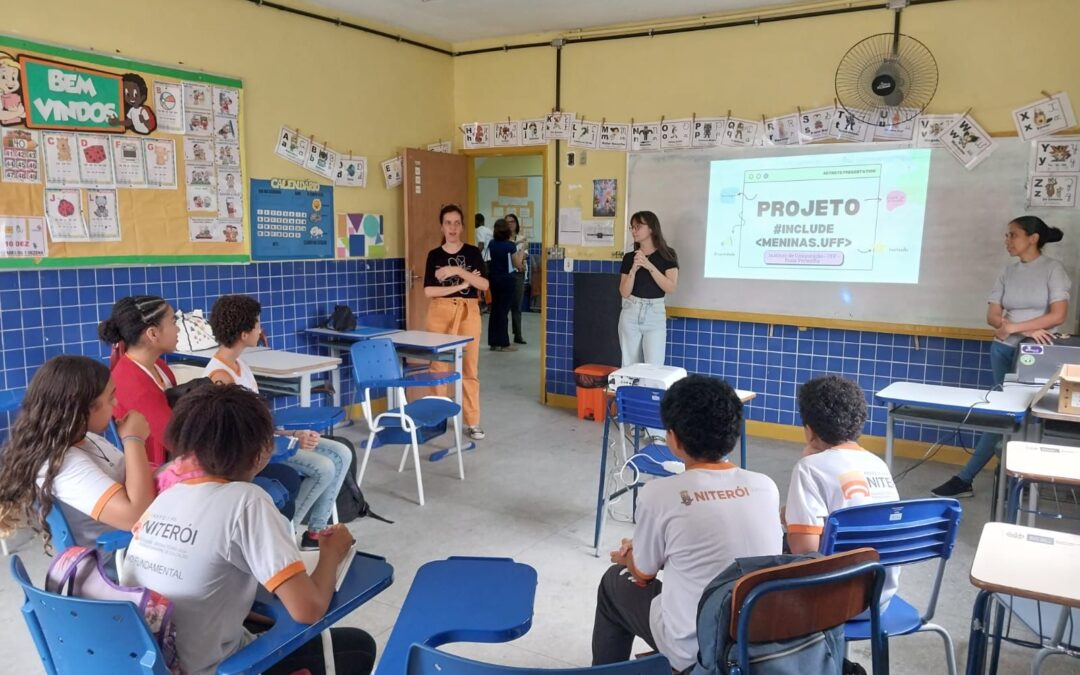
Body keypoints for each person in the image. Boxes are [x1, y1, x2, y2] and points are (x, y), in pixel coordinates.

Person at [123, 384, 376, 675]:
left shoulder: (167, 496)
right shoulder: (247, 500)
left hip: (151, 663)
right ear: (261, 452)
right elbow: (308, 610)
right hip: (213, 668)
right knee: (357, 646)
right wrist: (331, 553)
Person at [591, 375, 782, 670]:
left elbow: (643, 573)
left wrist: (629, 555)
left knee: (614, 582)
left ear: (674, 438)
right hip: (756, 640)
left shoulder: (659, 494)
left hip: (697, 650)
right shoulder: (766, 486)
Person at [932, 216, 1070, 498]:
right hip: (1002, 348)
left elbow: (1058, 315)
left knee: (1024, 416)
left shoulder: (1053, 269)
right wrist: (1016, 329)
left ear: (1033, 238)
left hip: (1035, 354)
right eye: (1007, 235)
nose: (1007, 240)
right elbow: (992, 315)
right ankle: (980, 478)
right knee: (1000, 413)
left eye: (1013, 235)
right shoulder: (1008, 271)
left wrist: (1015, 328)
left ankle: (998, 476)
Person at [205, 294, 352, 548]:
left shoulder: (240, 365)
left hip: (267, 439)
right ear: (243, 333)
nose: (261, 330)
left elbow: (260, 423)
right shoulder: (221, 377)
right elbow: (243, 436)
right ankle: (285, 532)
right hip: (251, 452)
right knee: (325, 467)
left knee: (343, 452)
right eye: (257, 324)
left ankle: (315, 533)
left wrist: (293, 434)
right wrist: (292, 442)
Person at [0, 355, 154, 551]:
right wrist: (134, 439)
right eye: (110, 397)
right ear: (82, 409)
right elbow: (136, 517)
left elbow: (131, 476)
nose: (115, 403)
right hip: (114, 559)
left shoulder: (86, 438)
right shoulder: (64, 465)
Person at [785, 375, 900, 610]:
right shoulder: (878, 464)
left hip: (830, 606)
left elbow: (804, 552)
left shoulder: (809, 468)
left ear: (809, 431)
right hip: (880, 601)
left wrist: (788, 520)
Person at [423, 204, 490, 441]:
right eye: (448, 223)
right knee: (438, 367)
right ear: (442, 227)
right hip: (439, 312)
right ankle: (437, 418)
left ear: (462, 227)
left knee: (469, 367)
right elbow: (429, 291)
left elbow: (484, 285)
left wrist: (456, 271)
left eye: (457, 223)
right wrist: (464, 284)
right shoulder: (434, 255)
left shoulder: (472, 252)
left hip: (468, 311)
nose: (452, 228)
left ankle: (472, 422)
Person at [98, 295, 180, 467]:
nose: (178, 329)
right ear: (153, 333)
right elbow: (177, 440)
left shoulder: (159, 366)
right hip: (154, 471)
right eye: (173, 322)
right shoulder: (133, 385)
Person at [618, 211, 679, 366]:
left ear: (651, 228)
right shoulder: (629, 257)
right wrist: (633, 270)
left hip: (655, 313)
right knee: (629, 365)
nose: (634, 231)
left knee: (654, 366)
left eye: (638, 227)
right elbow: (624, 292)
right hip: (631, 310)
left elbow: (670, 287)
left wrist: (648, 265)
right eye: (632, 227)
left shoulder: (667, 255)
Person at [487, 219, 524, 352]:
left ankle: (493, 342)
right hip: (507, 281)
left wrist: (516, 243)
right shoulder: (510, 246)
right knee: (503, 312)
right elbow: (517, 264)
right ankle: (504, 343)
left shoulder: (492, 243)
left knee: (495, 311)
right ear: (507, 230)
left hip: (493, 279)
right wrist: (522, 250)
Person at [505, 213, 528, 344]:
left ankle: (518, 334)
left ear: (516, 223)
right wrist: (518, 252)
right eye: (507, 222)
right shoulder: (501, 239)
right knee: (504, 306)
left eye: (512, 221)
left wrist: (519, 258)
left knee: (517, 305)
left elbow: (523, 256)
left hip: (518, 273)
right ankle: (504, 336)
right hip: (505, 274)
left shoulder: (521, 237)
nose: (510, 224)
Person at [475, 213, 494, 313]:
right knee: (488, 284)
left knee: (481, 284)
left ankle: (484, 306)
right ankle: (489, 306)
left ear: (477, 221)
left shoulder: (479, 230)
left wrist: (474, 257)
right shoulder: (488, 230)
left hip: (484, 260)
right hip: (490, 260)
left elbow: (481, 245)